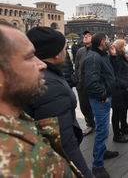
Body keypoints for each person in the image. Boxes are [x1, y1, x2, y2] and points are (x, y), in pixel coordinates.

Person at [0, 21, 82, 177]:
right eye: (30, 57)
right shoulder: (16, 162)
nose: (41, 64)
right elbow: (66, 146)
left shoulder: (18, 125)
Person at [26, 26, 92, 178]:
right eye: (64, 48)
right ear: (55, 54)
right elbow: (63, 143)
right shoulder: (51, 86)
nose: (66, 52)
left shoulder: (36, 75)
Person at [82, 33, 119, 178]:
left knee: (103, 128)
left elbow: (111, 73)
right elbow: (91, 82)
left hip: (104, 97)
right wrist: (102, 96)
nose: (110, 41)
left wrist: (114, 56)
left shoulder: (102, 54)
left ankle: (102, 152)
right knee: (102, 131)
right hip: (100, 99)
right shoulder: (93, 57)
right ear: (103, 42)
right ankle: (97, 165)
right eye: (108, 39)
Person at [110, 39, 128, 143]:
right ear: (120, 48)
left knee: (124, 109)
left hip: (126, 89)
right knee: (117, 112)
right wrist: (124, 84)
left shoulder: (124, 57)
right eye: (124, 45)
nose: (126, 46)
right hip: (118, 90)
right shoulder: (114, 58)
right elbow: (115, 73)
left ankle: (124, 126)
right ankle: (117, 134)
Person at [74, 30, 96, 136]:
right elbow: (76, 66)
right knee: (84, 106)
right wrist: (77, 80)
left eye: (88, 36)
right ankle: (90, 124)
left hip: (94, 84)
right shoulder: (80, 51)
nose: (85, 37)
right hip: (81, 84)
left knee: (96, 106)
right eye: (84, 36)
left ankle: (97, 124)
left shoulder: (97, 51)